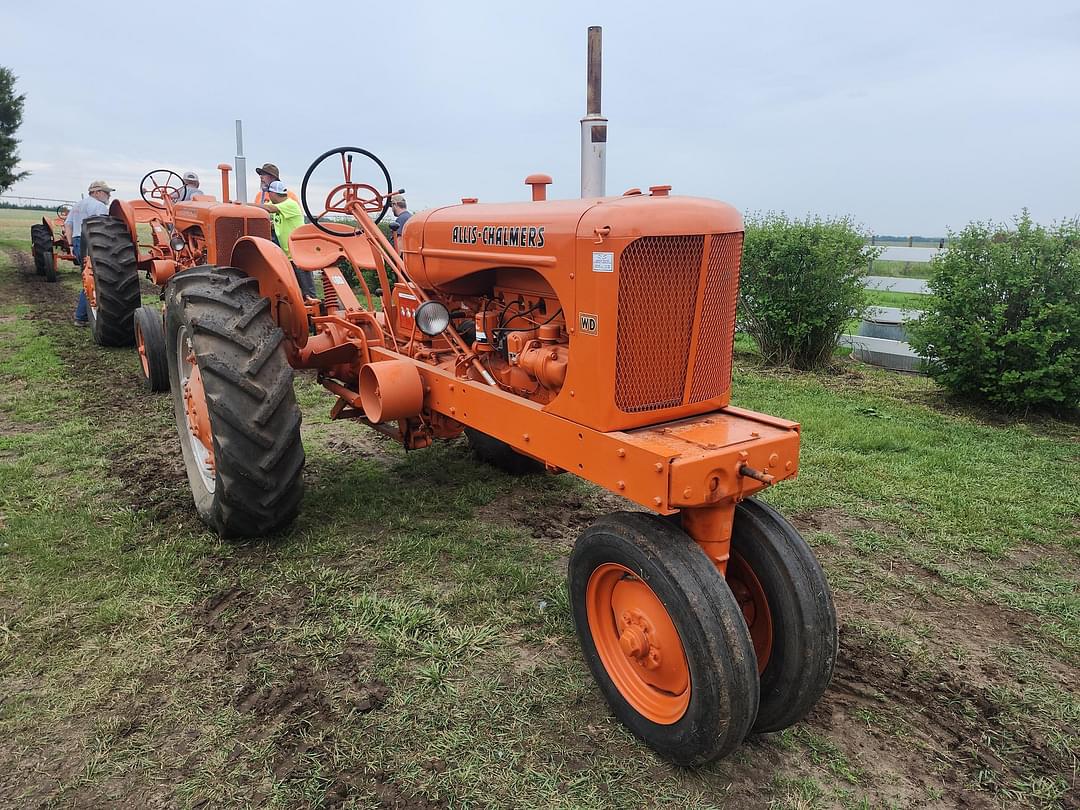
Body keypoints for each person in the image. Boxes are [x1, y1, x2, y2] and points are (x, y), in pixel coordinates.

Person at [67, 180, 115, 325]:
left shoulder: (77, 205)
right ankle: (82, 316)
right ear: (97, 192)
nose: (108, 196)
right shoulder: (98, 206)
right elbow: (103, 229)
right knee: (94, 278)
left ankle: (82, 315)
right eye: (107, 193)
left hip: (77, 241)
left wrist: (70, 244)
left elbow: (67, 225)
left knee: (87, 277)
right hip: (93, 242)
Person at [261, 180, 316, 299]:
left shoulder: (290, 204)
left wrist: (243, 205)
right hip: (287, 256)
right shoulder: (277, 204)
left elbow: (268, 208)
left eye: (269, 193)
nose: (268, 196)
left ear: (273, 193)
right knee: (294, 292)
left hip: (298, 255)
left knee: (307, 292)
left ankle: (313, 312)